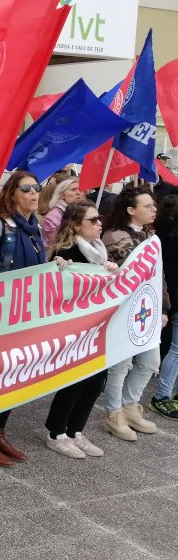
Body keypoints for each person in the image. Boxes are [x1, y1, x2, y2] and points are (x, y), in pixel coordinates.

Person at [0, 170, 47, 465]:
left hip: (26, 315)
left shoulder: (37, 228)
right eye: (26, 188)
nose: (33, 193)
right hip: (0, 315)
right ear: (11, 194)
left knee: (16, 375)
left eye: (37, 188)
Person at [43, 201, 118, 456]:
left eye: (100, 219)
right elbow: (53, 287)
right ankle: (56, 432)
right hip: (74, 329)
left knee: (96, 382)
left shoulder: (99, 251)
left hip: (98, 328)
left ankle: (76, 431)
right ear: (76, 225)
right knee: (74, 381)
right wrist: (58, 268)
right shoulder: (66, 252)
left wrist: (108, 270)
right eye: (93, 220)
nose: (99, 223)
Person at [100, 185, 161, 439]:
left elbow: (159, 276)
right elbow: (128, 272)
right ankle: (114, 413)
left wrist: (163, 307)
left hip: (147, 308)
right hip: (123, 310)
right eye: (147, 206)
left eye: (153, 205)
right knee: (121, 363)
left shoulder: (150, 236)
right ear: (131, 210)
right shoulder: (114, 236)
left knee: (149, 362)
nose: (154, 209)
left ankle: (130, 405)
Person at [151, 195, 178, 420]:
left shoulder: (166, 230)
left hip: (169, 294)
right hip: (169, 294)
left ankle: (166, 394)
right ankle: (162, 396)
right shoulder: (169, 233)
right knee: (175, 350)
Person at [40, 177, 81, 247]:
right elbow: (56, 242)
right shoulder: (53, 216)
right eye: (73, 190)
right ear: (61, 195)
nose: (79, 193)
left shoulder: (83, 212)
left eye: (80, 189)